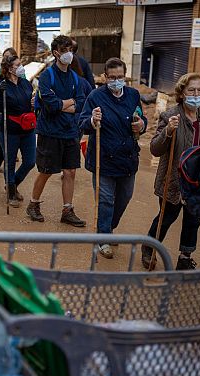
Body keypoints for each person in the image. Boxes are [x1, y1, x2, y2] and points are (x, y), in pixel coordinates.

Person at [142, 73, 200, 270]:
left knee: (193, 220)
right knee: (166, 217)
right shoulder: (170, 116)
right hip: (174, 179)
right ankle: (149, 246)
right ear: (182, 93)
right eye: (191, 90)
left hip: (198, 180)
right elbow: (155, 149)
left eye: (199, 90)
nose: (196, 94)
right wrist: (168, 131)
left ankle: (185, 257)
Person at [78, 57, 147, 259]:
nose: (116, 81)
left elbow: (140, 116)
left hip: (127, 158)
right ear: (105, 77)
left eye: (120, 77)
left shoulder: (133, 95)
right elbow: (82, 123)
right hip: (103, 157)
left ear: (125, 77)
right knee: (106, 200)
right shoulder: (95, 97)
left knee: (125, 197)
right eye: (112, 77)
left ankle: (108, 227)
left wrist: (141, 124)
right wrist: (92, 120)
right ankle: (104, 237)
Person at [27, 35, 87, 227]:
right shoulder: (47, 76)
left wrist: (62, 103)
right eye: (65, 50)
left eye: (71, 50)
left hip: (70, 131)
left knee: (70, 171)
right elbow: (50, 106)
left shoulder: (75, 78)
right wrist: (66, 103)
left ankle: (67, 210)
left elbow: (81, 103)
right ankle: (33, 204)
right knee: (46, 171)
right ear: (56, 53)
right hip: (49, 131)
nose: (69, 54)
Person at [0, 55, 36, 207]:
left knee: (30, 161)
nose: (21, 67)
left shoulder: (26, 83)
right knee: (10, 161)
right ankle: (11, 193)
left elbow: (31, 100)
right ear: (10, 69)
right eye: (18, 64)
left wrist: (34, 102)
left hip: (27, 129)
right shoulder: (0, 85)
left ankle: (12, 184)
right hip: (9, 129)